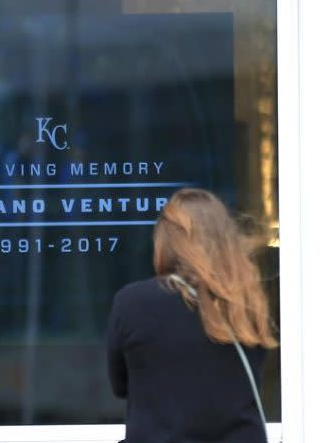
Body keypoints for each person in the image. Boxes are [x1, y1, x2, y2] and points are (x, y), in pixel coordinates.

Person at [106, 188, 278, 443]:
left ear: (165, 242)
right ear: (225, 241)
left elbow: (120, 386)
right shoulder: (245, 305)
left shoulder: (133, 302)